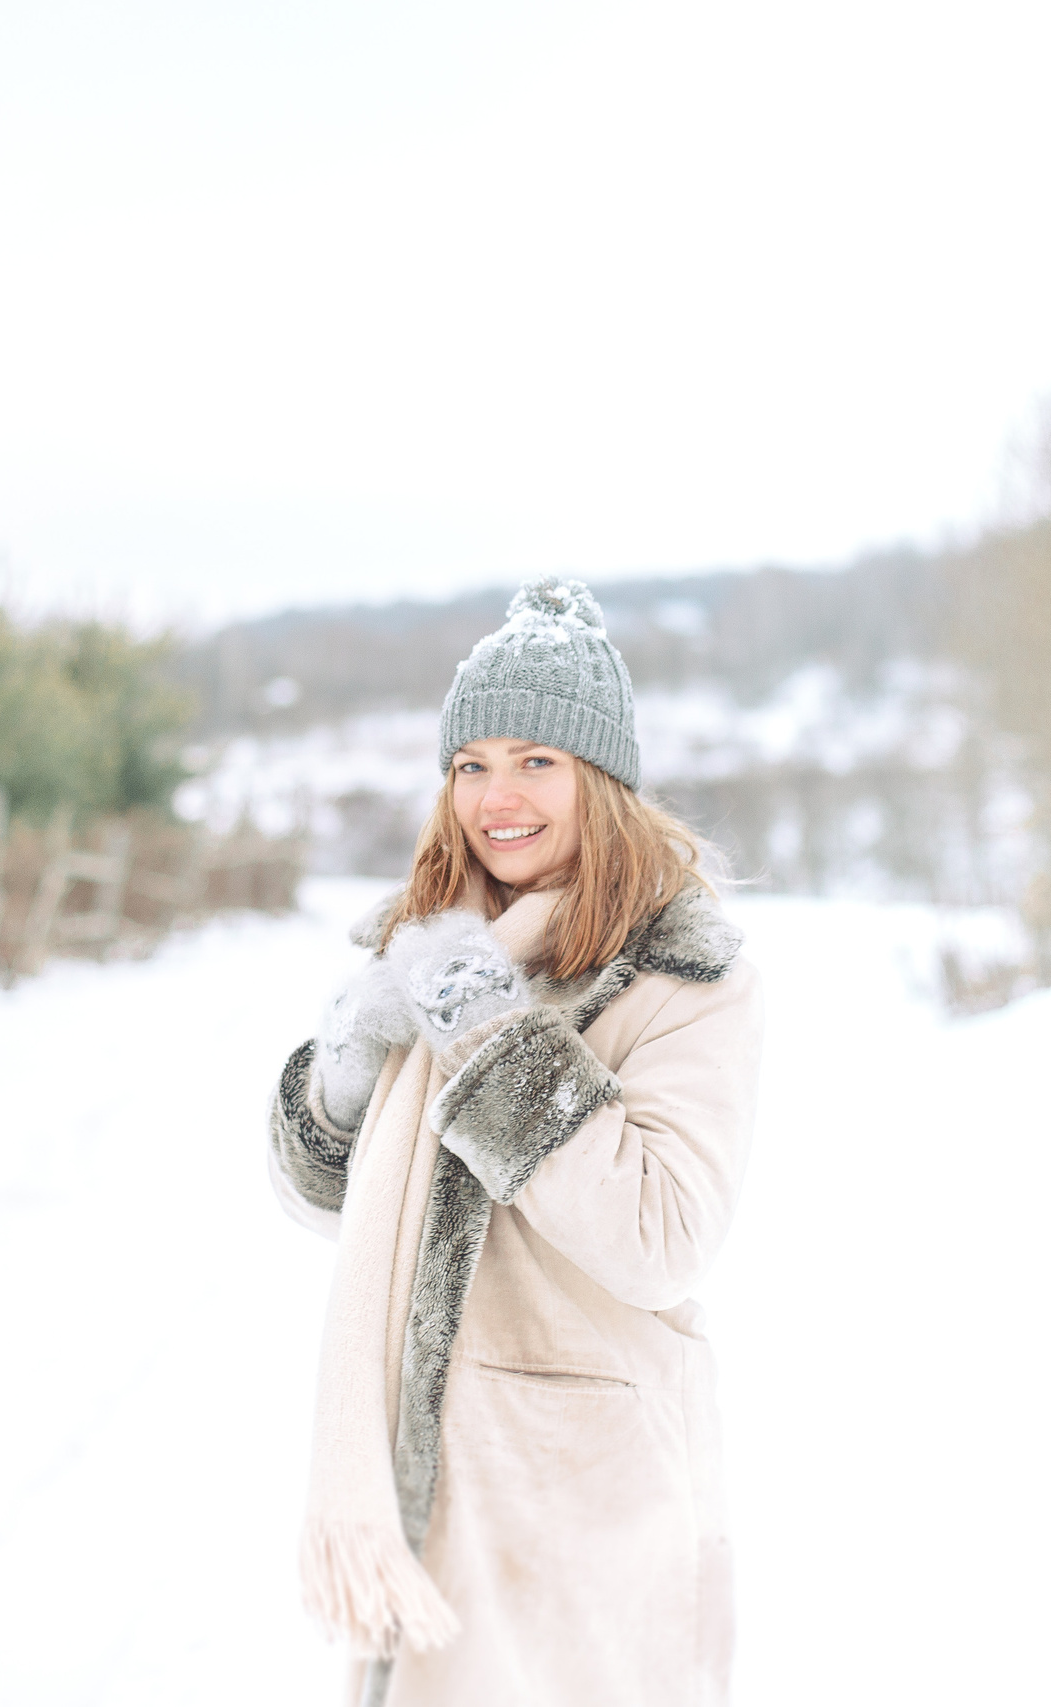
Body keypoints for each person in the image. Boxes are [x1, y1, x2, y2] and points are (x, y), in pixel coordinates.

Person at [266, 577, 765, 1707]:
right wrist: (343, 1077)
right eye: (471, 763)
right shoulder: (432, 944)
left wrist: (493, 1034)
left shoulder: (684, 975)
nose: (499, 797)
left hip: (582, 1489)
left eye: (537, 759)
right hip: (428, 1480)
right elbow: (318, 1203)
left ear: (600, 777)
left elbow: (661, 1235)